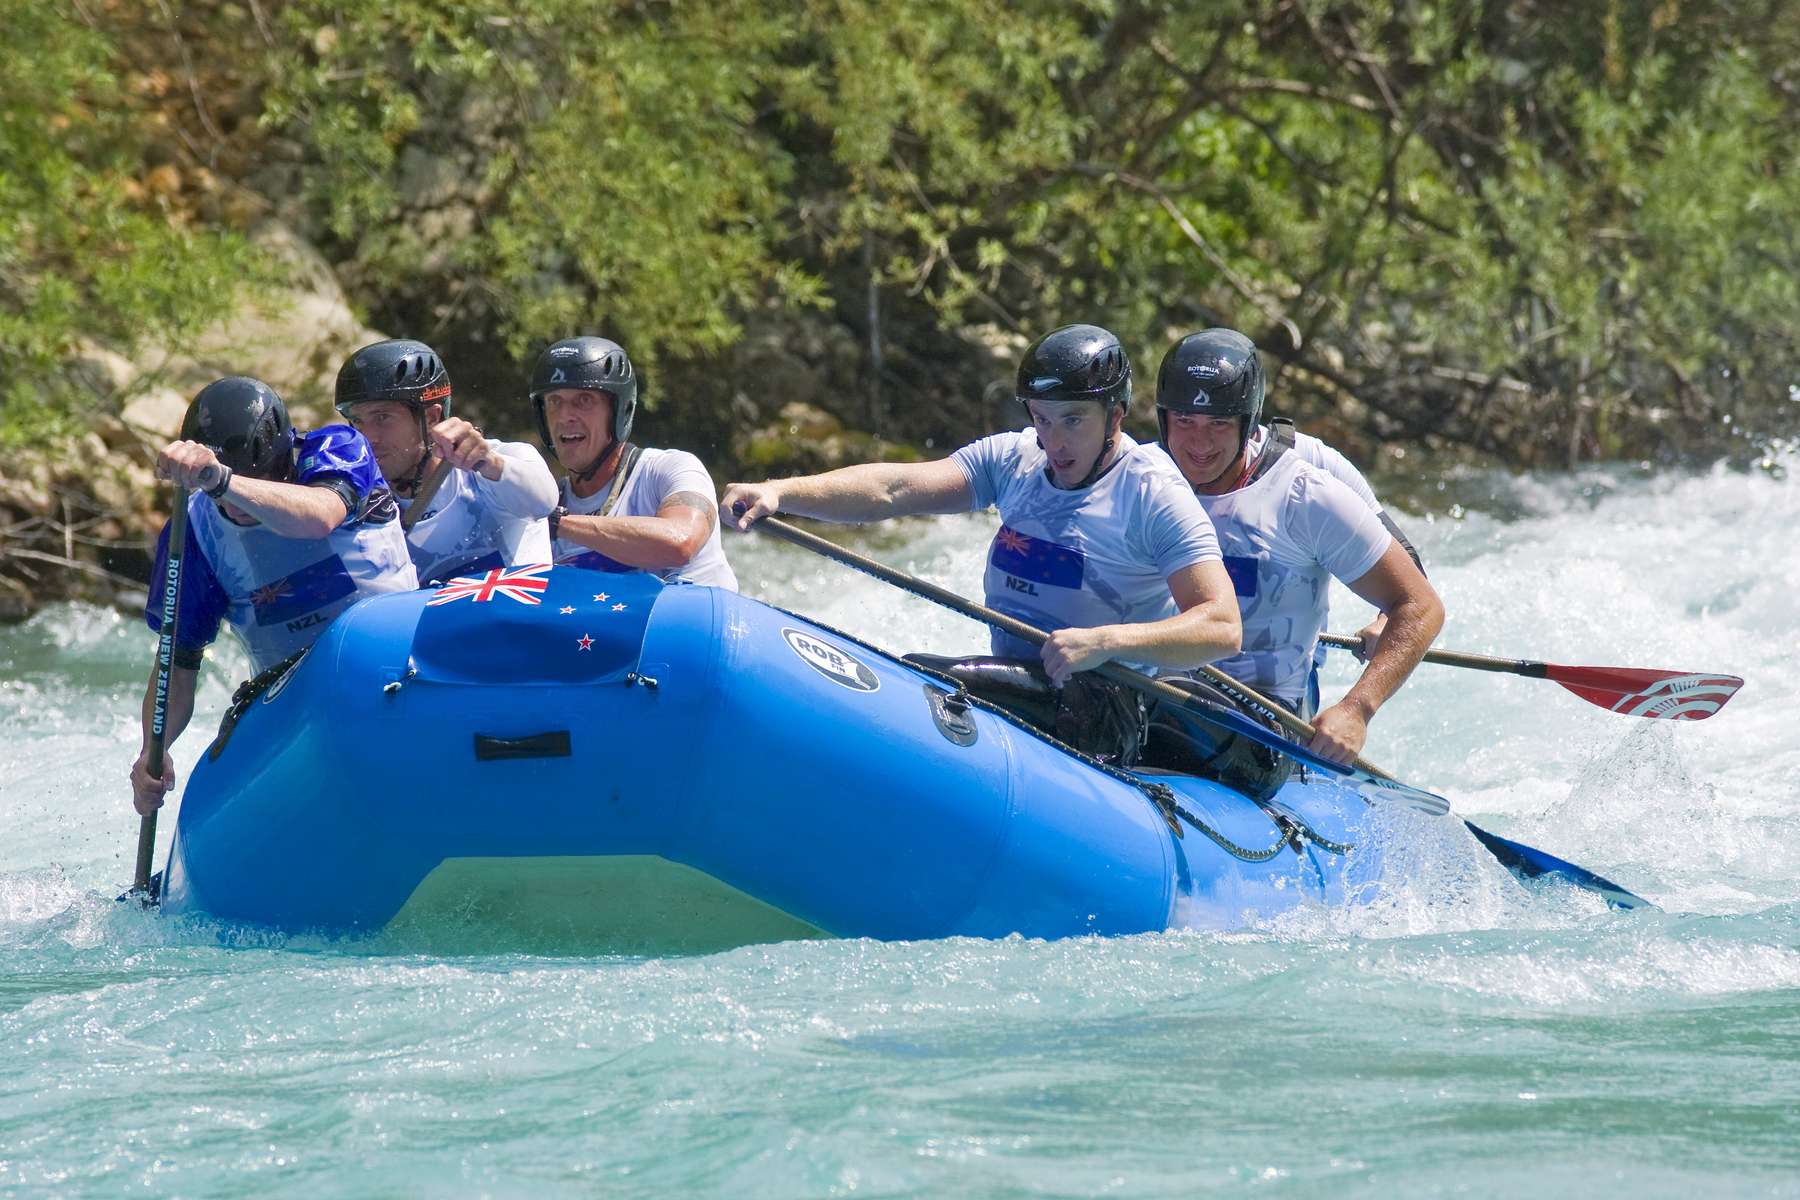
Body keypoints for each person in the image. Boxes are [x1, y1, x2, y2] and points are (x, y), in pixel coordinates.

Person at [721, 323, 1242, 703]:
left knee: (934, 682)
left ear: (1116, 416)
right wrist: (780, 492)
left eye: (1072, 421)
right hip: (1016, 680)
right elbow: (893, 488)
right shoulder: (1015, 459)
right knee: (923, 678)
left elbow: (1221, 626)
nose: (1053, 441)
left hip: (1109, 703)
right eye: (1042, 419)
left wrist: (1107, 641)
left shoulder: (1152, 492)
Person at [1154, 327, 1444, 764]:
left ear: (1247, 423)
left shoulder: (1310, 484)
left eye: (1217, 424)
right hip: (1154, 688)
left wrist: (1356, 709)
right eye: (1184, 422)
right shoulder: (1141, 478)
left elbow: (1415, 593)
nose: (1198, 443)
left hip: (1259, 709)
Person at [130, 377, 418, 815]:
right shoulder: (195, 532)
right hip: (299, 705)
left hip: (402, 669)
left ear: (283, 457)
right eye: (221, 488)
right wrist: (154, 750)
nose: (238, 498)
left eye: (257, 477)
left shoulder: (336, 449)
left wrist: (222, 480)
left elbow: (320, 516)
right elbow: (178, 665)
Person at [335, 338, 557, 586]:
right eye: (358, 421)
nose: (368, 437)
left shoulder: (496, 463)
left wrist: (488, 463)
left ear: (431, 417)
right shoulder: (361, 502)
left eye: (382, 417)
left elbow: (544, 500)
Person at [532, 336, 737, 590]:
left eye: (584, 400)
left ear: (620, 411)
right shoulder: (546, 500)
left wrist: (557, 524)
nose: (565, 416)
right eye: (555, 402)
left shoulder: (671, 469)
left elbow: (680, 543)